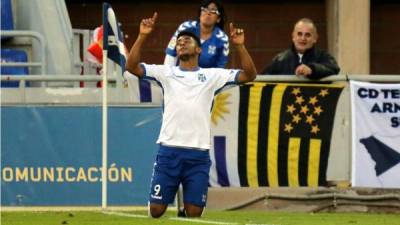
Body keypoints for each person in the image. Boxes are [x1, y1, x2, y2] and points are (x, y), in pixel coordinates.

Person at [126, 12, 257, 218]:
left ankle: (184, 213)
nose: (182, 43)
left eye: (187, 40)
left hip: (198, 154)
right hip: (169, 151)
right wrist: (142, 35)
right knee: (156, 210)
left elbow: (249, 75)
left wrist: (240, 46)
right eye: (178, 42)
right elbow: (131, 67)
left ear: (198, 49)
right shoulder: (166, 73)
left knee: (194, 213)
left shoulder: (213, 76)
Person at [261, 18, 340, 80]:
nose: (303, 38)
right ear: (293, 36)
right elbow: (262, 79)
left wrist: (312, 69)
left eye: (307, 35)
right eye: (299, 34)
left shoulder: (323, 55)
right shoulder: (280, 59)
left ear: (315, 38)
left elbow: (334, 68)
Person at [164, 0, 229, 68]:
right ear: (199, 14)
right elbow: (171, 54)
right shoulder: (185, 27)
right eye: (205, 9)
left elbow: (220, 68)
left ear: (218, 19)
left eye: (213, 11)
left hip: (206, 77)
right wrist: (168, 76)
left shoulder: (223, 39)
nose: (208, 13)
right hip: (180, 75)